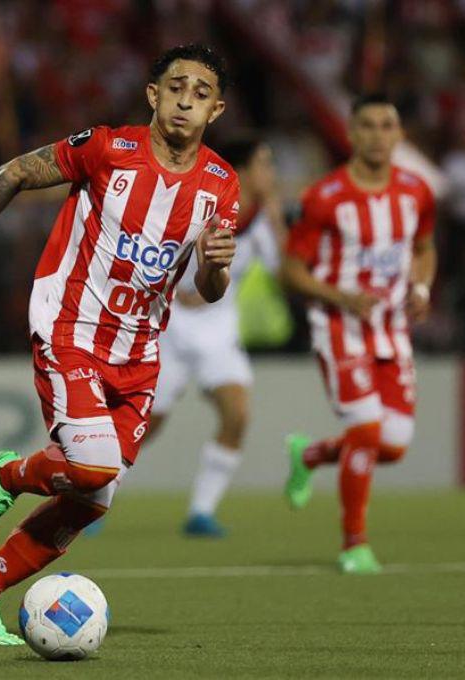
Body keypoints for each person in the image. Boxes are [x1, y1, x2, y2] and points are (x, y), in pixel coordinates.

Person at [0, 44, 239, 645]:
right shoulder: (108, 149)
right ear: (153, 95)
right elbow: (18, 171)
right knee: (94, 464)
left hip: (141, 348)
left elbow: (208, 290)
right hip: (69, 324)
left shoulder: (220, 185)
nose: (186, 100)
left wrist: (216, 267)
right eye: (175, 86)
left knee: (92, 500)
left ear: (217, 110)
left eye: (201, 93)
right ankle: (11, 474)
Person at [281, 93, 437, 574]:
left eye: (386, 125)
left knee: (392, 444)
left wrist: (423, 288)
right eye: (366, 125)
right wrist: (340, 297)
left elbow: (424, 248)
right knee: (366, 431)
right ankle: (355, 544)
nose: (376, 134)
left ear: (399, 135)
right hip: (339, 327)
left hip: (393, 330)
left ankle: (310, 453)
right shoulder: (324, 197)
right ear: (350, 134)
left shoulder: (416, 191)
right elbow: (292, 270)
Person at [148, 137, 286, 537]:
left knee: (237, 413)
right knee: (144, 425)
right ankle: (93, 497)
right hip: (169, 326)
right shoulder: (197, 201)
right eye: (264, 164)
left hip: (219, 328)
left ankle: (201, 512)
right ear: (241, 170)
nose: (271, 174)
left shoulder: (261, 219)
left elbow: (284, 273)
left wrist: (277, 221)